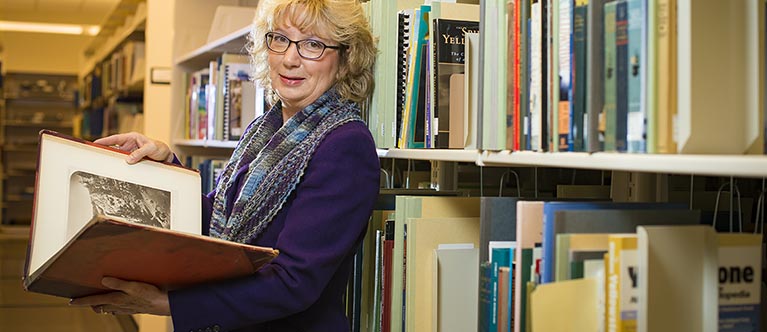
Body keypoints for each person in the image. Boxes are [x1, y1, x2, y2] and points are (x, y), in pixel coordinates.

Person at [69, 0, 380, 330]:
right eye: (280, 39)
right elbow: (218, 220)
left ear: (345, 60)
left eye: (313, 45)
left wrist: (169, 304)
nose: (290, 58)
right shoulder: (262, 131)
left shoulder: (345, 145)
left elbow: (294, 282)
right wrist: (164, 170)